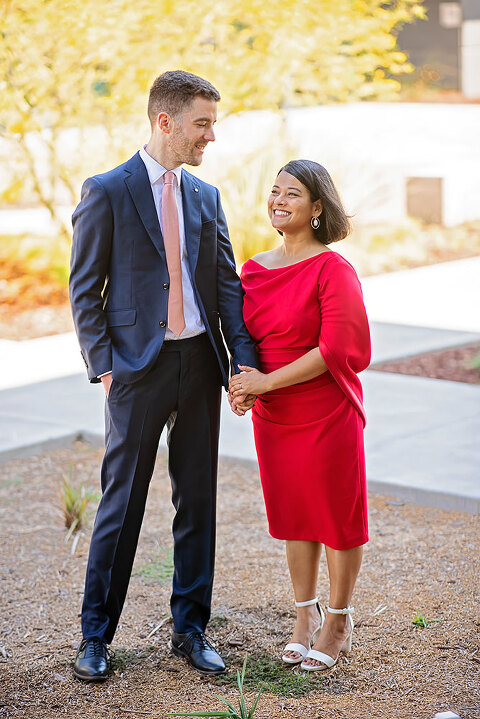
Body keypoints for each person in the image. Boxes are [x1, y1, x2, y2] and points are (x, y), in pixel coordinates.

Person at [69, 70, 258, 681]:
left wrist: (241, 362)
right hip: (135, 371)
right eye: (202, 124)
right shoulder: (107, 191)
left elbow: (226, 285)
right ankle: (96, 636)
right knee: (120, 505)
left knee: (198, 499)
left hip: (201, 362)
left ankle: (191, 628)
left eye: (213, 124)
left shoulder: (206, 196)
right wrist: (104, 366)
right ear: (165, 121)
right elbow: (84, 290)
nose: (210, 137)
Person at [229, 159, 370, 672]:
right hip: (274, 414)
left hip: (326, 409)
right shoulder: (254, 268)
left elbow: (338, 347)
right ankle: (302, 618)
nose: (279, 200)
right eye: (275, 191)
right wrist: (242, 383)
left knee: (335, 517)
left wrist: (265, 381)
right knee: (294, 516)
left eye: (292, 193)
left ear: (316, 208)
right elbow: (243, 336)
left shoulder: (333, 269)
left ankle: (338, 619)